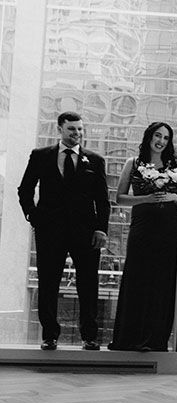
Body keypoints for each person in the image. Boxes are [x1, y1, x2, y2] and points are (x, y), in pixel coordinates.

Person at [17, 111, 110, 351]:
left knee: (88, 285)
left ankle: (90, 337)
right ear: (59, 129)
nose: (77, 133)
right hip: (50, 231)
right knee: (48, 283)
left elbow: (103, 200)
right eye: (72, 129)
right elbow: (25, 189)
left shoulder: (95, 160)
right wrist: (33, 216)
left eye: (80, 129)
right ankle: (49, 335)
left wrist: (101, 229)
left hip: (86, 232)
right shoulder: (41, 156)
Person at [108, 122, 177, 352]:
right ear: (149, 137)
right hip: (142, 227)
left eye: (166, 138)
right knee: (137, 278)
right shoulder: (133, 163)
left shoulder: (176, 167)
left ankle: (155, 339)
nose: (161, 141)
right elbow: (119, 198)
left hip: (169, 229)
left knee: (163, 282)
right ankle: (130, 338)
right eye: (157, 136)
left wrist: (173, 198)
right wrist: (146, 199)